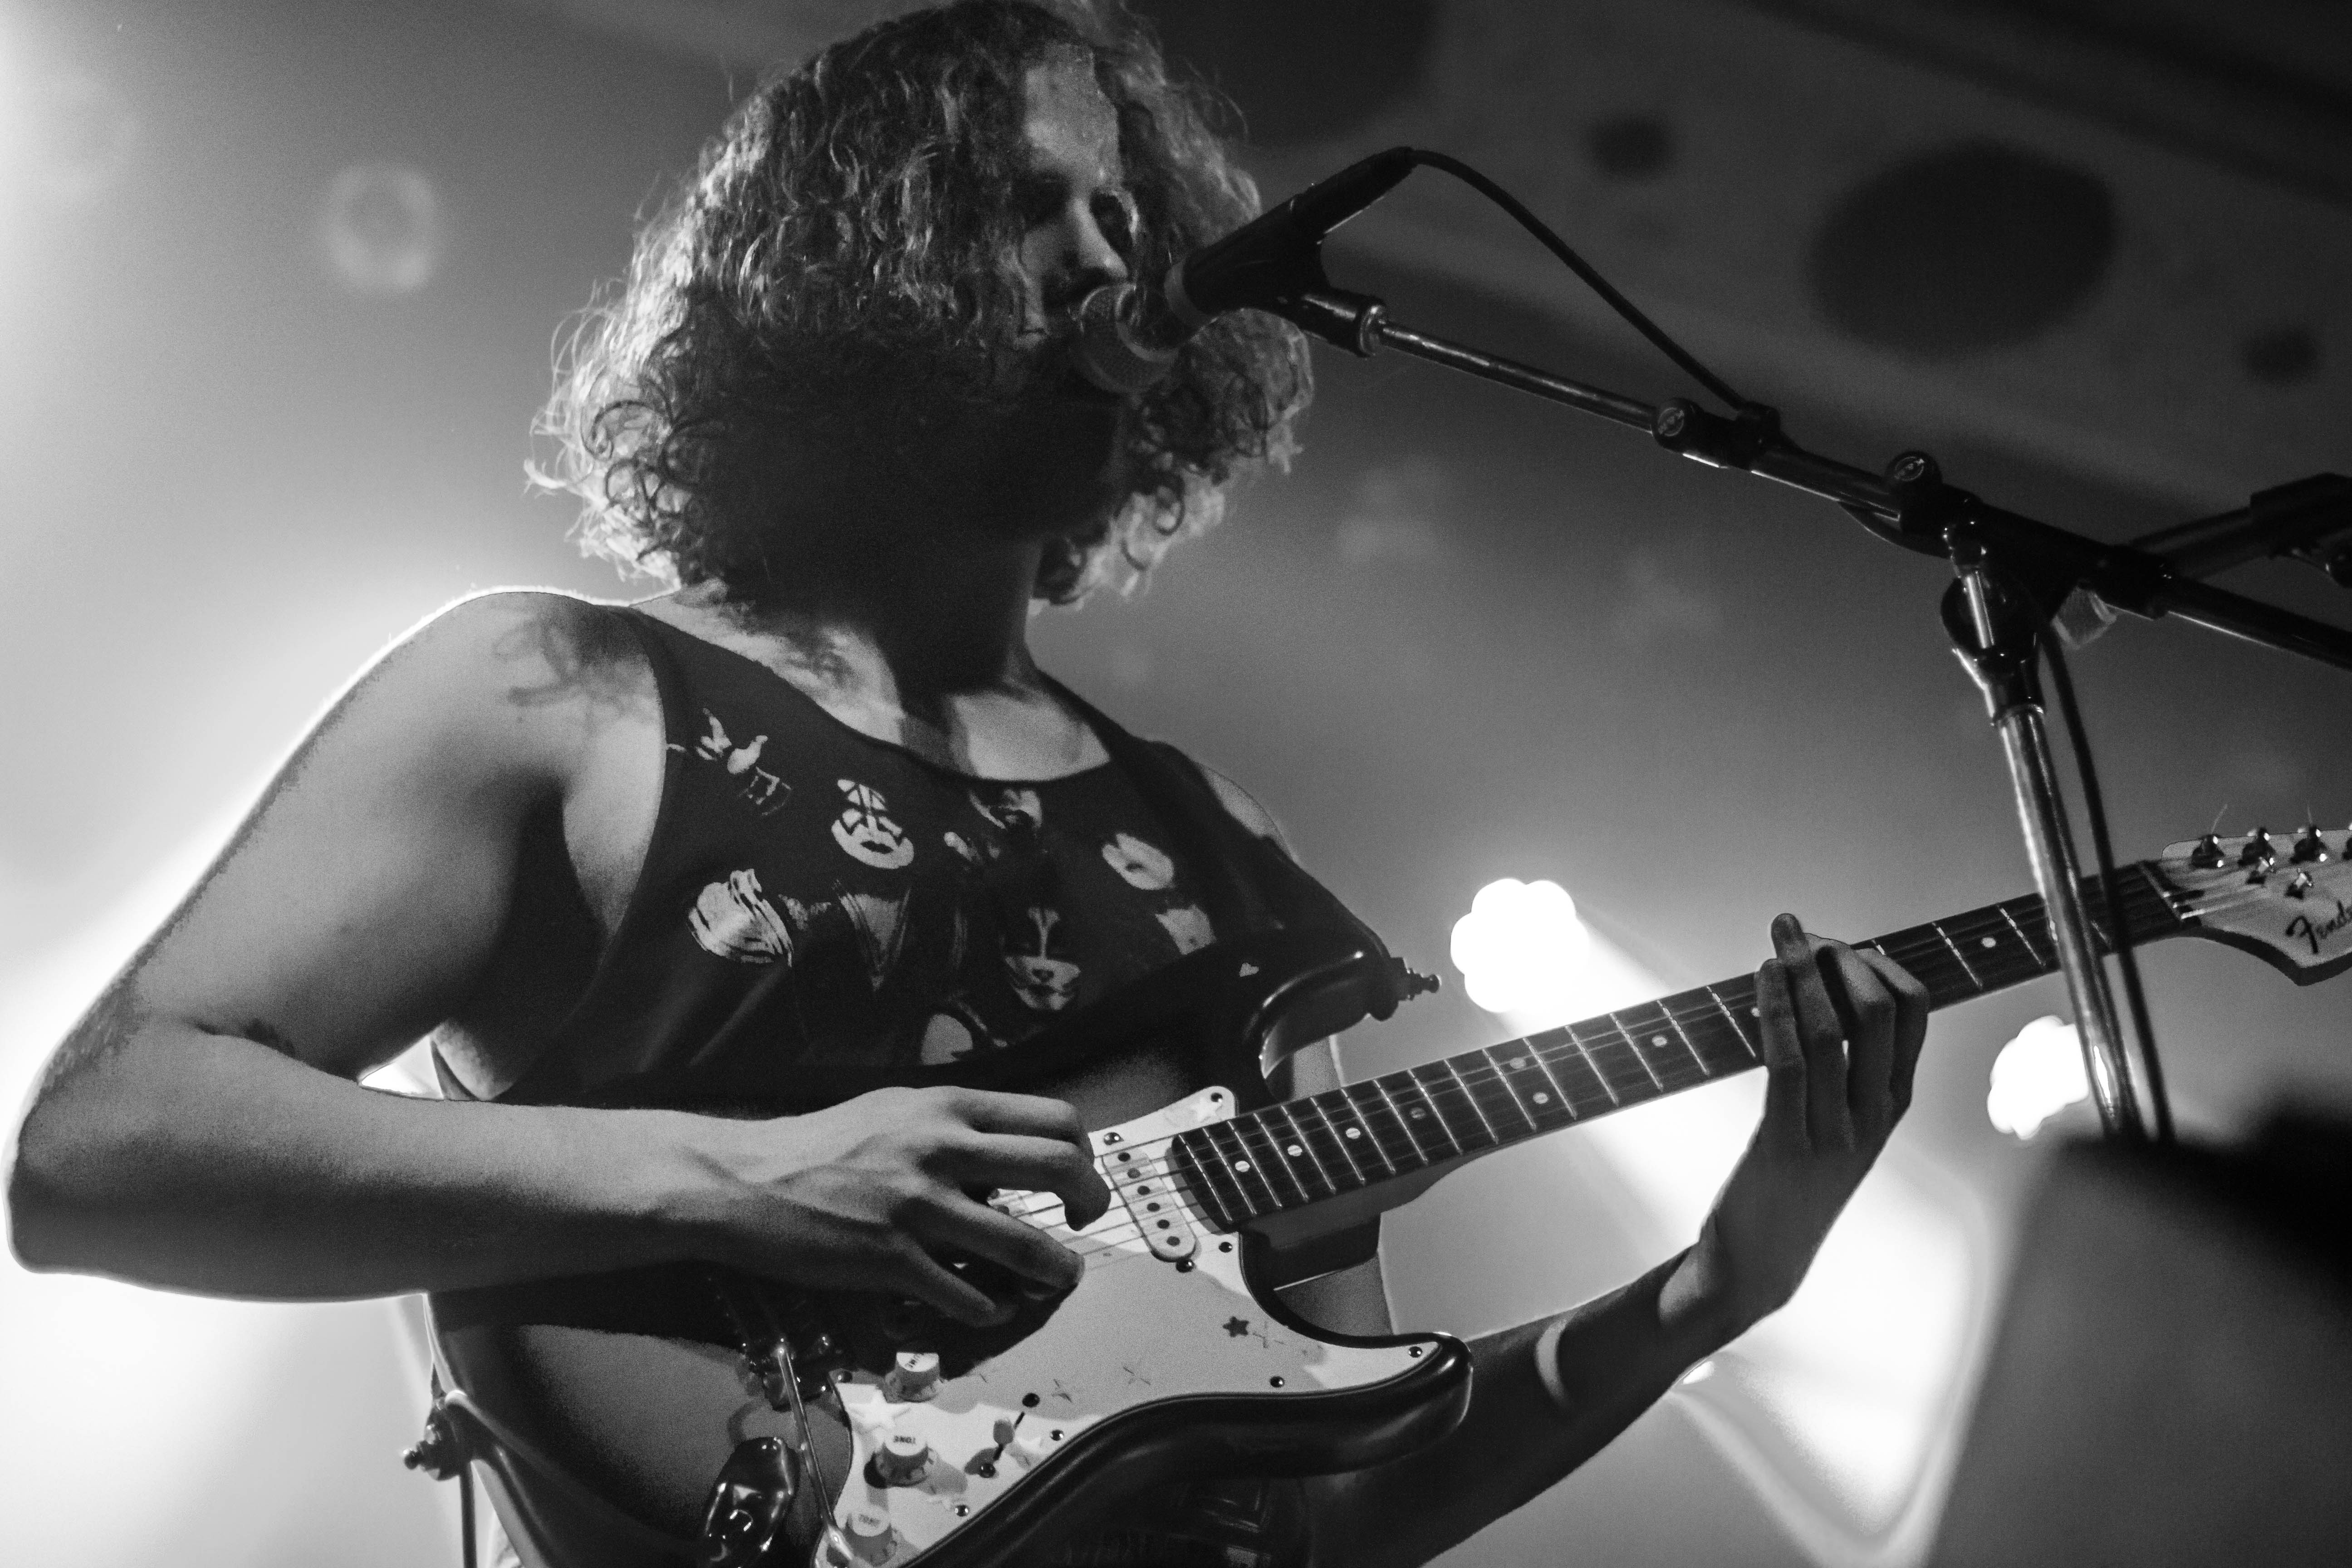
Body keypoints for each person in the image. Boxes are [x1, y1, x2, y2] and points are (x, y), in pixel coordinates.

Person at [5, 3, 1929, 1565]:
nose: (1108, 259)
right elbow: (101, 1150)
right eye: (1024, 206)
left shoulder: (1224, 862)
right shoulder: (555, 699)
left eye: (1124, 215)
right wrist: (755, 1183)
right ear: (845, 276)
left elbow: (1322, 1513)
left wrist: (1717, 1288)